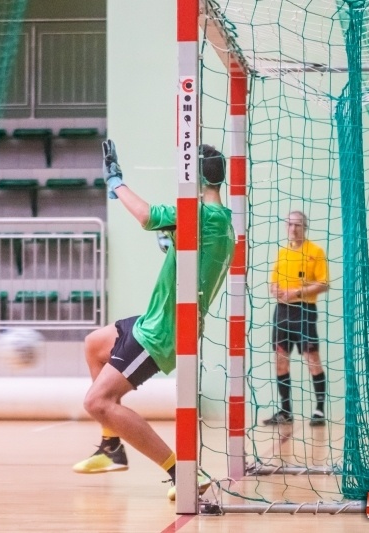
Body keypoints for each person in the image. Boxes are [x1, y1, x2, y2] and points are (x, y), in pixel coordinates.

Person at [72, 140, 235, 501]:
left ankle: (182, 471)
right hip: (156, 318)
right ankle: (111, 447)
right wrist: (173, 244)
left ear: (195, 177)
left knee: (97, 402)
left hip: (162, 332)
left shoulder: (200, 214)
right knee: (94, 345)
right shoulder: (225, 225)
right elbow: (194, 257)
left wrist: (116, 182)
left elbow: (146, 216)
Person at [263, 210, 329, 426]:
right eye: (290, 224)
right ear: (286, 227)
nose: (294, 228)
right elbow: (273, 281)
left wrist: (297, 293)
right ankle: (286, 411)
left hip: (304, 312)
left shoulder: (315, 251)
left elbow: (324, 284)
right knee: (280, 362)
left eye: (298, 225)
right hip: (282, 313)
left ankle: (319, 410)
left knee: (312, 361)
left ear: (305, 227)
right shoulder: (281, 253)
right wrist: (275, 290)